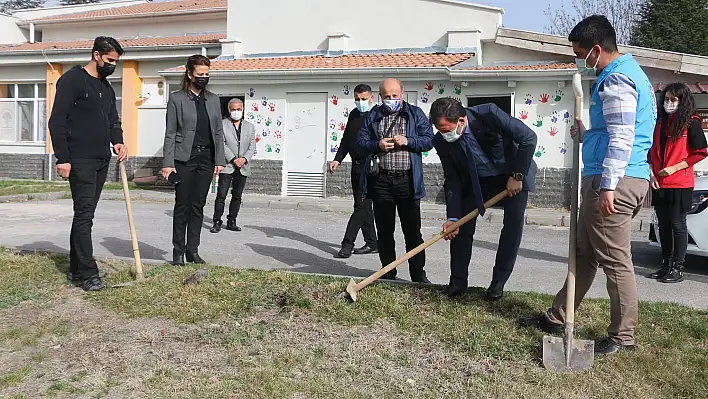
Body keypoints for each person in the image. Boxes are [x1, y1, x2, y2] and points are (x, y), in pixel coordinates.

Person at [520, 15, 657, 357]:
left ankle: (623, 336)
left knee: (615, 260)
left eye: (581, 54)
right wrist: (588, 132)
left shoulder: (616, 81)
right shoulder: (629, 75)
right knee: (584, 253)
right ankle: (558, 314)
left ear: (597, 49)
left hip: (614, 181)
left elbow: (624, 138)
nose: (581, 61)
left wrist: (608, 185)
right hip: (618, 176)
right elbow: (615, 131)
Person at [429, 97, 537, 301]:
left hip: (512, 174)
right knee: (461, 225)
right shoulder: (440, 141)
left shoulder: (489, 114)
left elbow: (529, 138)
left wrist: (517, 176)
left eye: (446, 129)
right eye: (439, 130)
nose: (443, 135)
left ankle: (497, 284)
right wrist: (452, 217)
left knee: (512, 225)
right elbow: (452, 178)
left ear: (461, 120)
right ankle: (457, 282)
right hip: (477, 180)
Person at [48, 36, 127, 292]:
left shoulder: (106, 87)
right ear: (96, 55)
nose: (113, 65)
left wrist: (119, 141)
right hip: (78, 158)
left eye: (116, 61)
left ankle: (75, 267)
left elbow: (114, 120)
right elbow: (57, 121)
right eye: (110, 60)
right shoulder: (73, 79)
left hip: (101, 159)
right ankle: (88, 274)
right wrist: (63, 158)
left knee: (86, 216)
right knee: (84, 215)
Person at [357, 78, 434, 283]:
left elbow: (429, 140)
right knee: (384, 231)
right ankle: (388, 272)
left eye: (395, 95)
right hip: (381, 181)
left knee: (412, 231)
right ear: (380, 96)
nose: (391, 100)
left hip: (407, 181)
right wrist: (377, 144)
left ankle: (418, 274)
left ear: (402, 93)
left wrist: (409, 141)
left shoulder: (415, 113)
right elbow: (361, 143)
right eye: (386, 96)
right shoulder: (373, 115)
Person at [161, 55, 225, 266]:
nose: (204, 78)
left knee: (198, 205)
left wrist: (219, 159)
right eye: (200, 75)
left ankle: (192, 251)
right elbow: (170, 132)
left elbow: (218, 131)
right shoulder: (176, 99)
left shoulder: (214, 99)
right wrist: (168, 164)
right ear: (189, 74)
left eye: (207, 74)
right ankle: (178, 252)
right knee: (183, 205)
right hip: (184, 159)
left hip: (206, 158)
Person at [647, 83, 708, 283]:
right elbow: (651, 151)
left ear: (682, 102)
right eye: (667, 99)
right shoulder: (659, 123)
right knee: (663, 224)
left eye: (674, 100)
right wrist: (652, 174)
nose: (669, 103)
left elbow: (700, 152)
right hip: (659, 182)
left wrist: (674, 168)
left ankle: (677, 267)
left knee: (677, 224)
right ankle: (665, 265)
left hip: (680, 182)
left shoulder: (691, 123)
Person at [328, 84, 378, 258]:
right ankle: (372, 243)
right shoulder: (354, 114)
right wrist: (337, 159)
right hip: (356, 166)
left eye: (364, 99)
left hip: (371, 167)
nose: (360, 102)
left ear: (371, 98)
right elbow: (346, 139)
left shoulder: (377, 115)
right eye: (357, 99)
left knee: (360, 206)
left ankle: (347, 244)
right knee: (364, 207)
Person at [210, 98, 256, 233]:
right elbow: (221, 143)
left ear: (242, 110)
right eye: (234, 109)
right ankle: (217, 221)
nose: (236, 112)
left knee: (237, 196)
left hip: (243, 166)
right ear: (229, 110)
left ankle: (232, 221)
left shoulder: (250, 126)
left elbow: (252, 146)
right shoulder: (222, 124)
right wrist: (233, 158)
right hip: (228, 165)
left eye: (239, 109)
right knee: (221, 195)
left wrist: (244, 159)